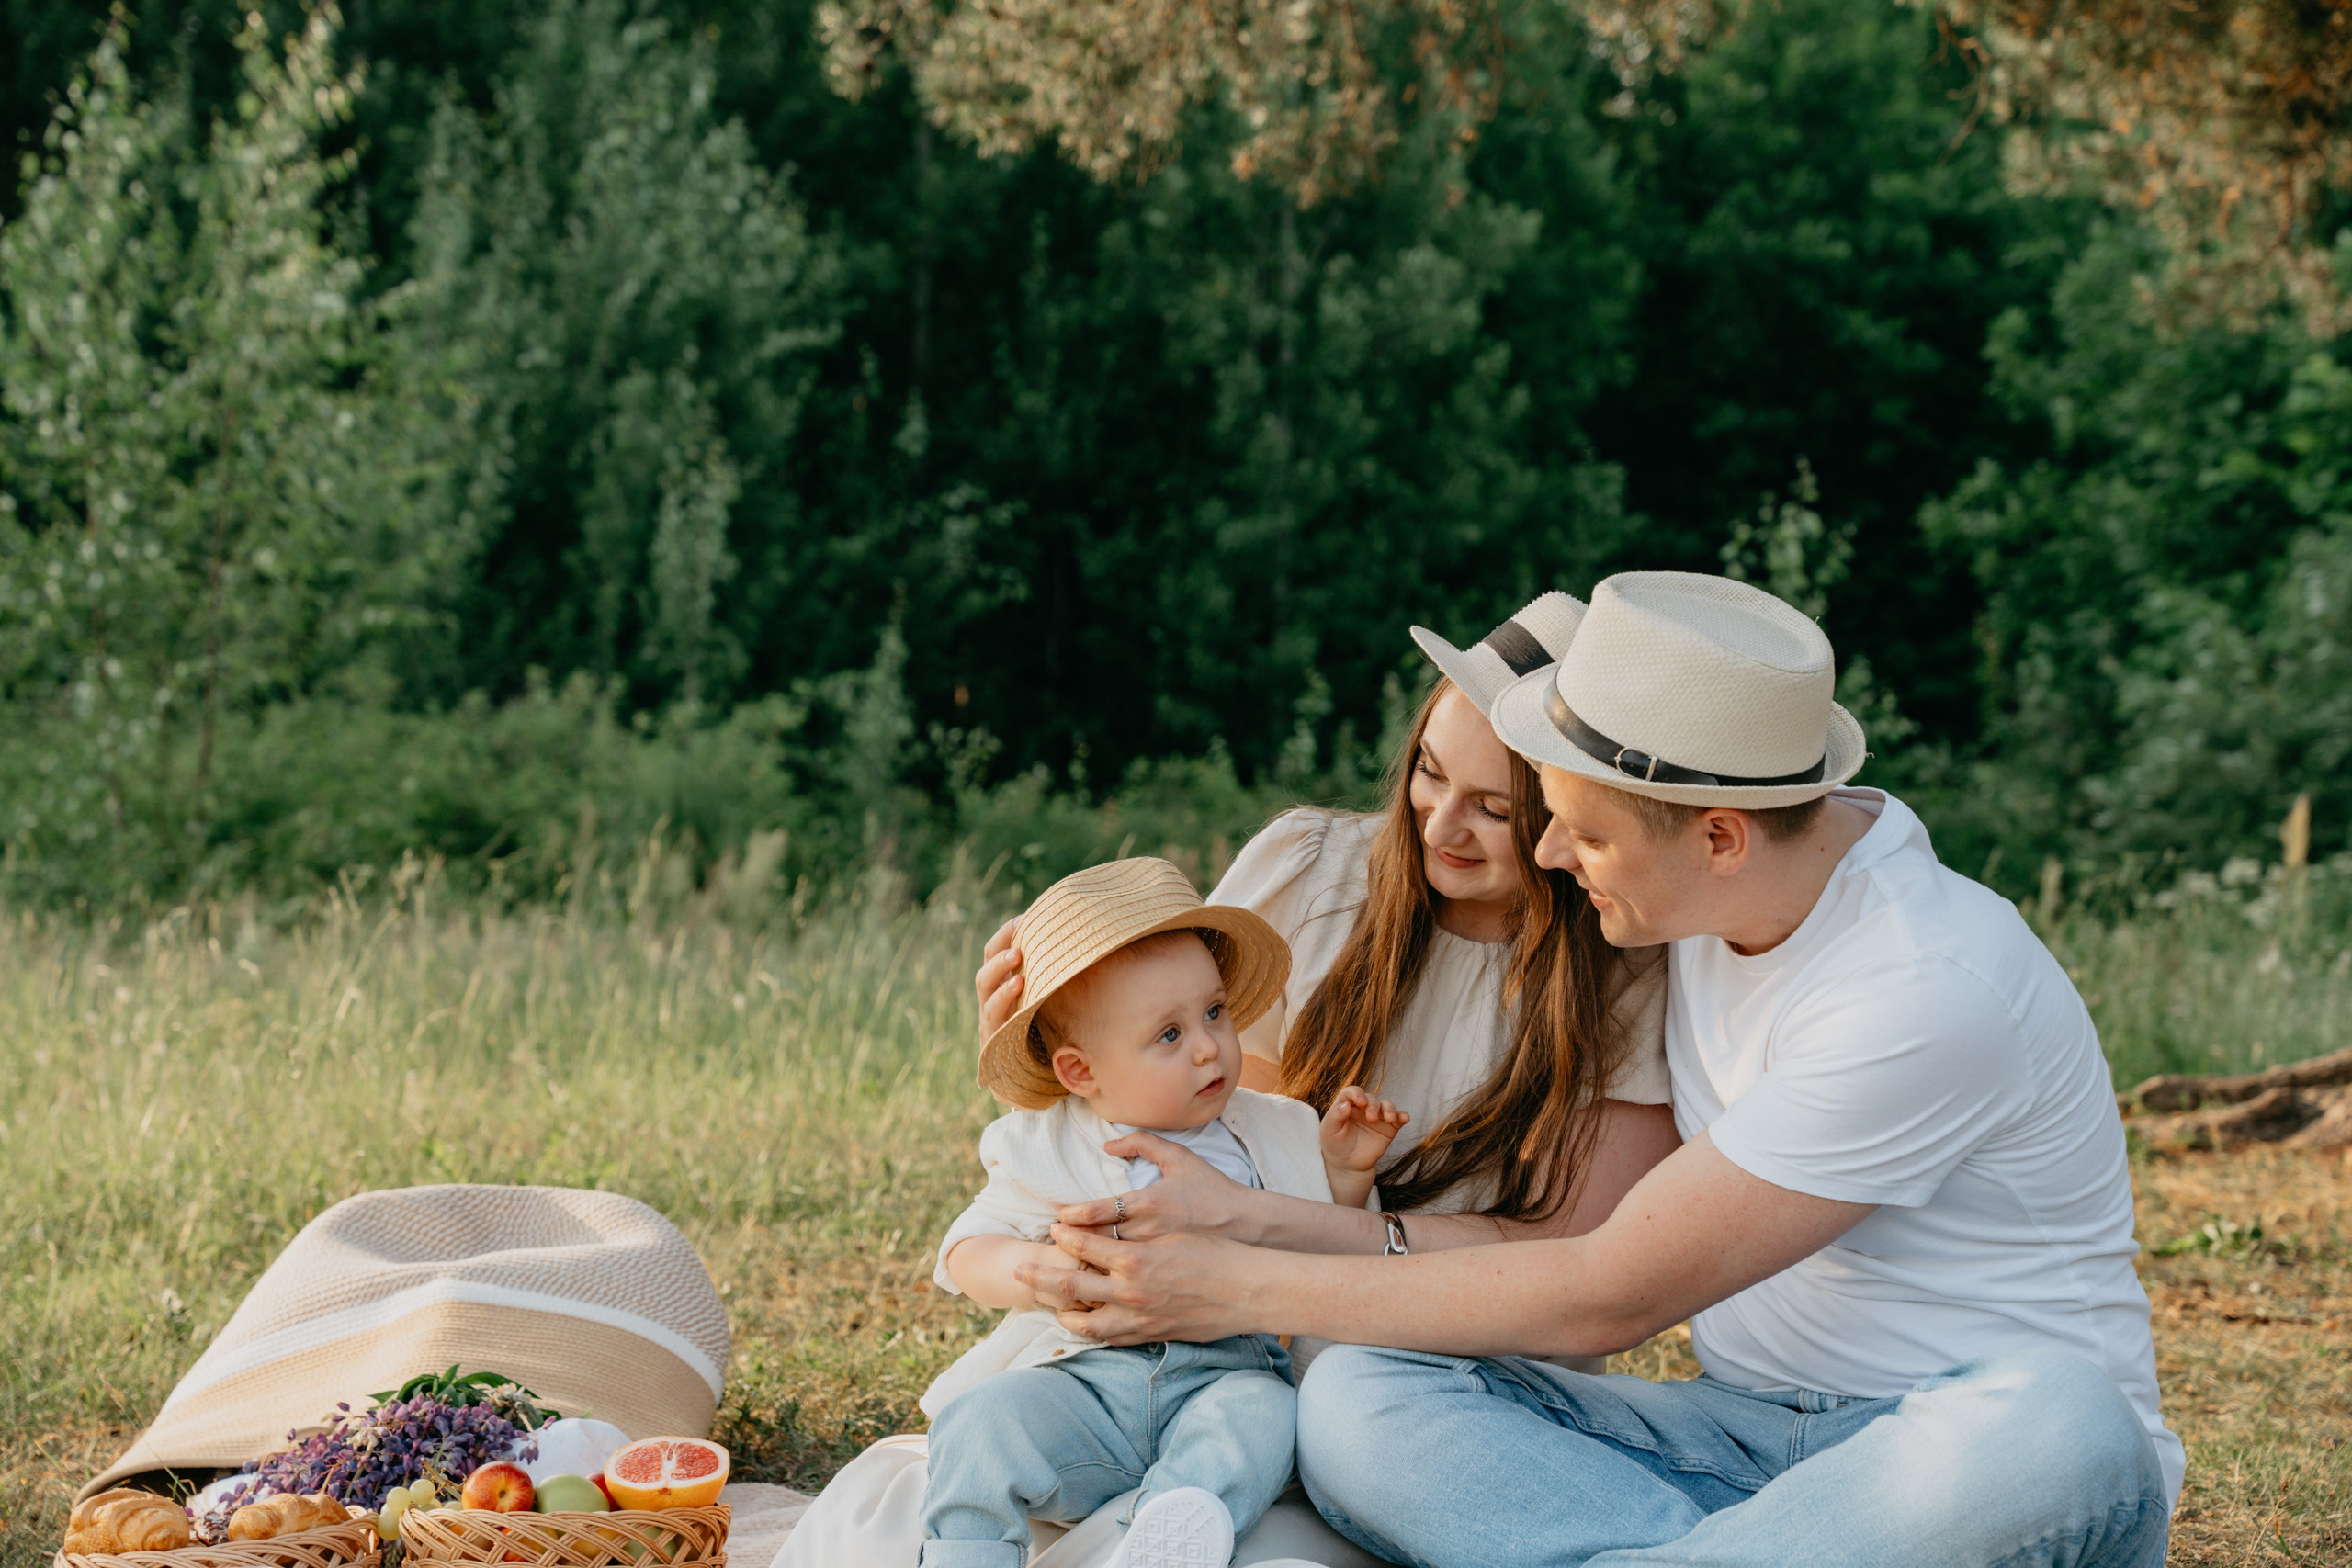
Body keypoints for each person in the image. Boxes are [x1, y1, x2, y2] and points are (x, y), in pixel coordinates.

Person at [1023, 572, 2183, 1568]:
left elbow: (1608, 1291)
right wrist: (1074, 1012)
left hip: (1958, 1453)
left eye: (1580, 832)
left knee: (2064, 1428)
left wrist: (1233, 1285)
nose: (1544, 852)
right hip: (1727, 1442)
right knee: (1361, 1391)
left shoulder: (1924, 988)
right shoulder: (1711, 899)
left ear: (1719, 836)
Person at [779, 592, 1683, 1568]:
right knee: (933, 1486)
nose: (1440, 825)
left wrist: (1304, 1226)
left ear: (1570, 822)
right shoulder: (1316, 874)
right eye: (1428, 771)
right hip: (1186, 1332)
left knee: (1261, 1526)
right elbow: (1186, 1114)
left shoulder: (1618, 967)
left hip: (1425, 1367)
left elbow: (1571, 1260)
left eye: (1495, 810)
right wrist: (1048, 1075)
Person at [915, 857, 1406, 1568]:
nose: (1209, 1046)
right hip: (1088, 1383)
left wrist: (1346, 1173)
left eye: (1214, 1012)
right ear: (1082, 1071)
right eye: (1169, 1035)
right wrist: (1035, 1270)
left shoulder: (1274, 1128)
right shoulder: (1051, 1142)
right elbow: (967, 1247)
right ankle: (967, 1556)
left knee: (1267, 1415)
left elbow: (1324, 1247)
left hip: (1223, 1377)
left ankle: (1169, 1532)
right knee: (979, 1423)